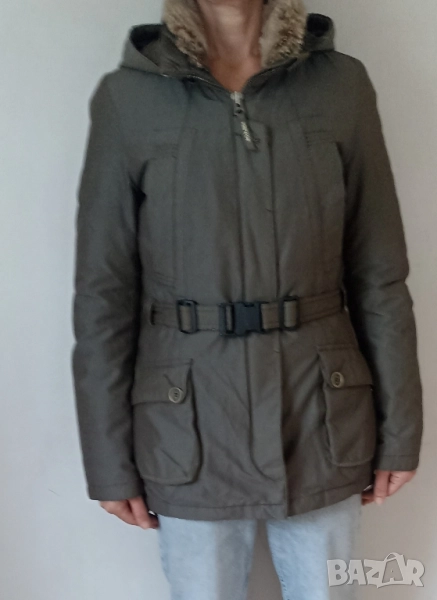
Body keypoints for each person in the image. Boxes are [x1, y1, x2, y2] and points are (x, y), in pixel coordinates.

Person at [72, 0, 423, 598]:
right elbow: (103, 295)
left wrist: (401, 430)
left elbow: (380, 273)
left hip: (321, 418)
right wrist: (107, 460)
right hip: (187, 428)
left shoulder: (341, 86)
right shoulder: (128, 99)